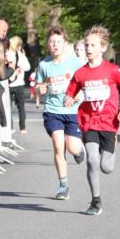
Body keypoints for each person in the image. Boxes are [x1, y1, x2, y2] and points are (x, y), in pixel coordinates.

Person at [64, 25, 120, 216]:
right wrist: (68, 99)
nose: (88, 48)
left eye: (93, 45)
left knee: (106, 167)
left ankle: (110, 147)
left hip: (109, 123)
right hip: (89, 122)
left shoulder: (112, 70)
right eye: (86, 45)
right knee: (92, 160)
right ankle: (96, 201)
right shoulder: (80, 73)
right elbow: (69, 94)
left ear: (103, 47)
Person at [35, 26, 85, 199]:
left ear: (64, 43)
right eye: (51, 42)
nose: (55, 45)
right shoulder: (44, 65)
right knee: (58, 145)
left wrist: (77, 96)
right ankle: (63, 186)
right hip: (52, 110)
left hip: (72, 111)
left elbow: (84, 83)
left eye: (58, 41)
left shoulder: (75, 63)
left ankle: (79, 150)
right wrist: (40, 89)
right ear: (47, 44)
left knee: (72, 147)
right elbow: (38, 86)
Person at [7, 35, 31, 133]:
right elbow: (28, 67)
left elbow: (27, 67)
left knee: (8, 107)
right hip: (18, 84)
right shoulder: (20, 55)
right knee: (21, 107)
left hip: (10, 83)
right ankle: (22, 127)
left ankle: (11, 127)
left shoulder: (8, 53)